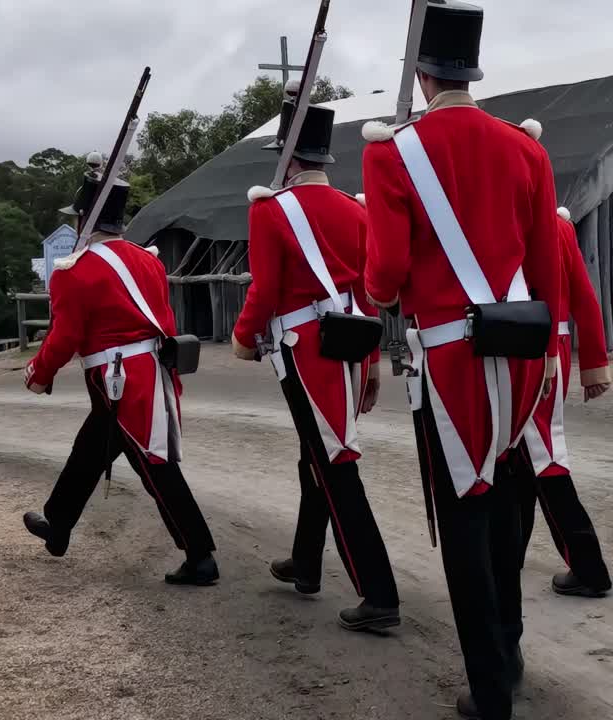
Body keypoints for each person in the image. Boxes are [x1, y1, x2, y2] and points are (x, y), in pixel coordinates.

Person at [360, 3, 562, 717]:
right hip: (526, 349)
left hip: (451, 359)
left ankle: (490, 691)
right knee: (508, 498)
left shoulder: (391, 152)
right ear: (471, 75)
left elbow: (382, 273)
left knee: (467, 517)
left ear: (421, 79)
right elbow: (545, 266)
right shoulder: (525, 148)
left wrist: (382, 289)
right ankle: (507, 648)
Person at [233, 101, 400, 633]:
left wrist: (242, 337)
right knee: (317, 456)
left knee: (334, 462)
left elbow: (266, 287)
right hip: (350, 344)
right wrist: (372, 362)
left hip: (306, 349)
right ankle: (307, 562)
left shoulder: (269, 210)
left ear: (287, 160)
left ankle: (379, 592)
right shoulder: (357, 211)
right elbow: (366, 294)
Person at [21, 175, 220, 586]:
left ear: (84, 221)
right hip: (148, 370)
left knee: (155, 466)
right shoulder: (148, 259)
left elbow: (65, 336)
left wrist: (39, 372)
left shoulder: (73, 271)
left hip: (118, 378)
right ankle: (57, 525)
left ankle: (200, 555)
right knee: (92, 447)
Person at [517, 208, 611, 598]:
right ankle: (510, 549)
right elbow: (584, 295)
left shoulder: (512, 218)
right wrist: (592, 364)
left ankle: (588, 566)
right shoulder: (558, 225)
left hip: (521, 347)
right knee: (520, 454)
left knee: (544, 455)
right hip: (550, 345)